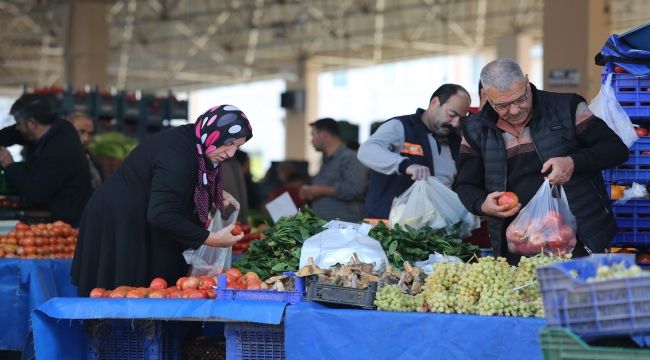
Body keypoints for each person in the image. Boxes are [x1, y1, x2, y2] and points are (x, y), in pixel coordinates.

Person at [455, 59, 629, 264]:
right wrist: (482, 204)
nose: (514, 110)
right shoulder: (475, 129)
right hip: (517, 243)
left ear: (527, 82)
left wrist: (573, 162)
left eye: (520, 99)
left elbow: (615, 149)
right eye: (501, 105)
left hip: (577, 237)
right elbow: (465, 184)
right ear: (486, 96)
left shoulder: (567, 107)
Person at [71, 104, 253, 296]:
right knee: (119, 293)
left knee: (145, 289)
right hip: (120, 220)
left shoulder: (195, 139)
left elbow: (183, 180)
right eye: (228, 143)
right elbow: (161, 213)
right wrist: (210, 239)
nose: (231, 153)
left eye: (237, 146)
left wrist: (210, 192)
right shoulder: (177, 156)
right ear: (213, 133)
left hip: (138, 215)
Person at [357, 84, 471, 220]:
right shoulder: (401, 127)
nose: (455, 123)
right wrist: (404, 165)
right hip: (387, 228)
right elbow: (366, 150)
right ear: (435, 103)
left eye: (461, 119)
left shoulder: (455, 142)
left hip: (433, 230)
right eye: (452, 114)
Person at [0, 94, 92, 225]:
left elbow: (36, 192)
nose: (17, 127)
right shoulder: (59, 127)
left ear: (32, 123)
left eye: (19, 123)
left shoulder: (58, 153)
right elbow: (15, 133)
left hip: (62, 223)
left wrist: (9, 164)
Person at [300, 118, 367, 222]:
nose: (311, 140)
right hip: (325, 227)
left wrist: (320, 191)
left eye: (313, 134)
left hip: (345, 229)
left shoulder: (351, 158)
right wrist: (309, 191)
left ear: (325, 135)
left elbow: (355, 189)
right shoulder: (326, 161)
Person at [66, 112, 104, 191]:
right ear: (67, 131)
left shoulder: (92, 161)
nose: (86, 138)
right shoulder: (58, 159)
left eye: (90, 133)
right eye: (81, 132)